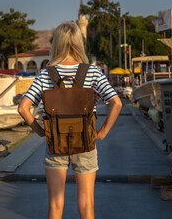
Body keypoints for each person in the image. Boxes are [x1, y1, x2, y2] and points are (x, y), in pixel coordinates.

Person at [18, 22, 122, 219]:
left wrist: (41, 131)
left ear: (56, 43)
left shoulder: (45, 74)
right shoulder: (91, 72)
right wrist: (102, 132)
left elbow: (23, 108)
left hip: (55, 144)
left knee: (55, 205)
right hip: (85, 143)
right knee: (86, 205)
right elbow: (116, 103)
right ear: (78, 43)